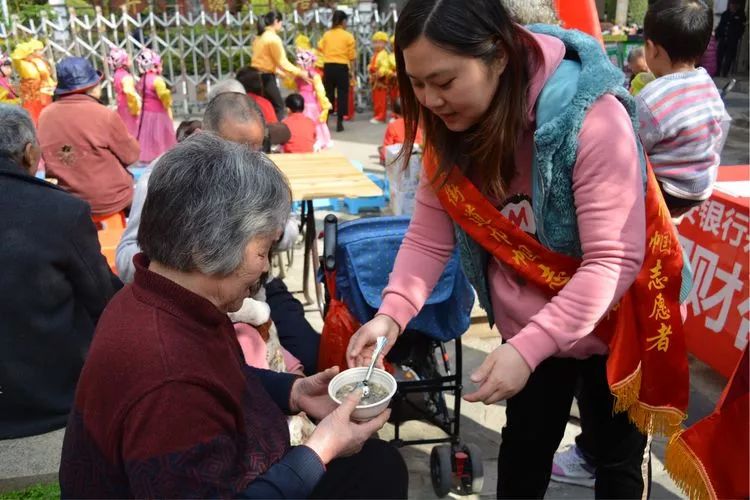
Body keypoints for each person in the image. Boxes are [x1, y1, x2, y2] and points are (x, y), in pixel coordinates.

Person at [346, 0, 691, 498]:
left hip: (613, 320)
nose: (430, 101)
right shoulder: (452, 128)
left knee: (617, 456)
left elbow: (611, 260)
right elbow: (427, 236)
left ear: (499, 56)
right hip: (527, 324)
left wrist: (527, 349)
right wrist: (391, 315)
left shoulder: (592, 121)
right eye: (417, 85)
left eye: (443, 82)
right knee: (525, 449)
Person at [58, 133, 409, 498]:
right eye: (263, 250)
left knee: (376, 464)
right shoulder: (169, 383)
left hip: (229, 460)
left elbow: (227, 375)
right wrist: (319, 450)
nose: (266, 269)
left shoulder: (158, 294)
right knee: (376, 473)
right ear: (206, 246)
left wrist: (295, 391)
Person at [116, 92, 317, 374]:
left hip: (256, 292)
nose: (245, 161)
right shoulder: (166, 178)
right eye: (234, 149)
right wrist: (182, 254)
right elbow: (126, 260)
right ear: (202, 136)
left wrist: (274, 234)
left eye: (255, 150)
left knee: (312, 354)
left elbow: (290, 227)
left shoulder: (258, 172)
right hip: (200, 306)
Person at [0, 104, 121, 439]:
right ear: (29, 153)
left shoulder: (60, 210)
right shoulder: (60, 210)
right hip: (53, 399)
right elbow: (104, 300)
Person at [638, 0, 731, 216]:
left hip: (665, 190)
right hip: (699, 189)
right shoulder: (708, 84)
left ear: (652, 50)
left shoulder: (651, 97)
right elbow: (720, 127)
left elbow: (632, 145)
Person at [37, 57, 140, 218]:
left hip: (66, 200)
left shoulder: (45, 116)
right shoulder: (104, 114)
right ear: (93, 86)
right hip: (111, 201)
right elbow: (131, 155)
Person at [251, 11, 309, 119]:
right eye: (281, 22)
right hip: (265, 77)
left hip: (255, 75)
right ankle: (274, 132)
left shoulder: (259, 37)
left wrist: (279, 72)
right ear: (276, 21)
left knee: (263, 106)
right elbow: (282, 61)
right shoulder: (273, 39)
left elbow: (262, 59)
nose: (281, 25)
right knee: (279, 106)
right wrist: (300, 72)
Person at [134, 48, 176, 164]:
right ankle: (162, 157)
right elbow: (164, 95)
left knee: (148, 136)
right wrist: (168, 103)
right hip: (159, 113)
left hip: (146, 113)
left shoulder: (142, 79)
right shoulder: (157, 80)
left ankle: (148, 156)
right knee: (160, 136)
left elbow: (139, 91)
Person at [319, 10, 356, 132]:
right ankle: (340, 122)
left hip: (328, 67)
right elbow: (352, 57)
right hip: (342, 68)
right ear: (343, 21)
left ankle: (326, 120)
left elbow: (320, 49)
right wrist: (353, 73)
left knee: (328, 94)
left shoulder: (326, 35)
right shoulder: (348, 36)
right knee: (342, 94)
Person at [292, 50, 332, 150]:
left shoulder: (297, 75)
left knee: (300, 122)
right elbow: (320, 91)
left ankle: (302, 139)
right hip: (311, 102)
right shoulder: (314, 75)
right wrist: (325, 104)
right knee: (315, 123)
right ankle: (318, 140)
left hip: (300, 101)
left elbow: (294, 87)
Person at [10, 39, 55, 124]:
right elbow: (15, 57)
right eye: (39, 51)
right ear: (32, 52)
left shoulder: (40, 62)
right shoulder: (23, 63)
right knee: (33, 117)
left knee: (46, 115)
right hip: (31, 95)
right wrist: (27, 49)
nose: (42, 53)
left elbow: (47, 78)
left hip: (43, 93)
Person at [107, 47, 140, 137]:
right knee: (133, 131)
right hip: (129, 107)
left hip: (121, 106)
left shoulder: (117, 75)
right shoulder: (126, 77)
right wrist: (135, 109)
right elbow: (130, 93)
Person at [380, 97, 424, 164]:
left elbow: (387, 146)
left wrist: (383, 158)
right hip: (416, 157)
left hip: (397, 158)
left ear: (395, 113)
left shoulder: (393, 125)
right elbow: (420, 142)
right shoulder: (417, 124)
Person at [716, 0, 746, 77]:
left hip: (732, 40)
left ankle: (725, 73)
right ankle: (717, 71)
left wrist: (737, 36)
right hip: (723, 38)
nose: (732, 6)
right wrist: (717, 35)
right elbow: (721, 26)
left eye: (734, 4)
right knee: (719, 56)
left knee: (729, 57)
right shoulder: (725, 14)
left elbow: (741, 28)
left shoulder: (741, 15)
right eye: (731, 4)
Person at [369, 31, 393, 124]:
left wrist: (380, 73)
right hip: (375, 79)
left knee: (381, 99)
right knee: (376, 98)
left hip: (380, 79)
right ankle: (377, 115)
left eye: (379, 42)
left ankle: (380, 116)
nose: (376, 45)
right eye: (375, 42)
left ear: (384, 43)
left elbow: (385, 66)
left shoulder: (383, 54)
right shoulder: (376, 54)